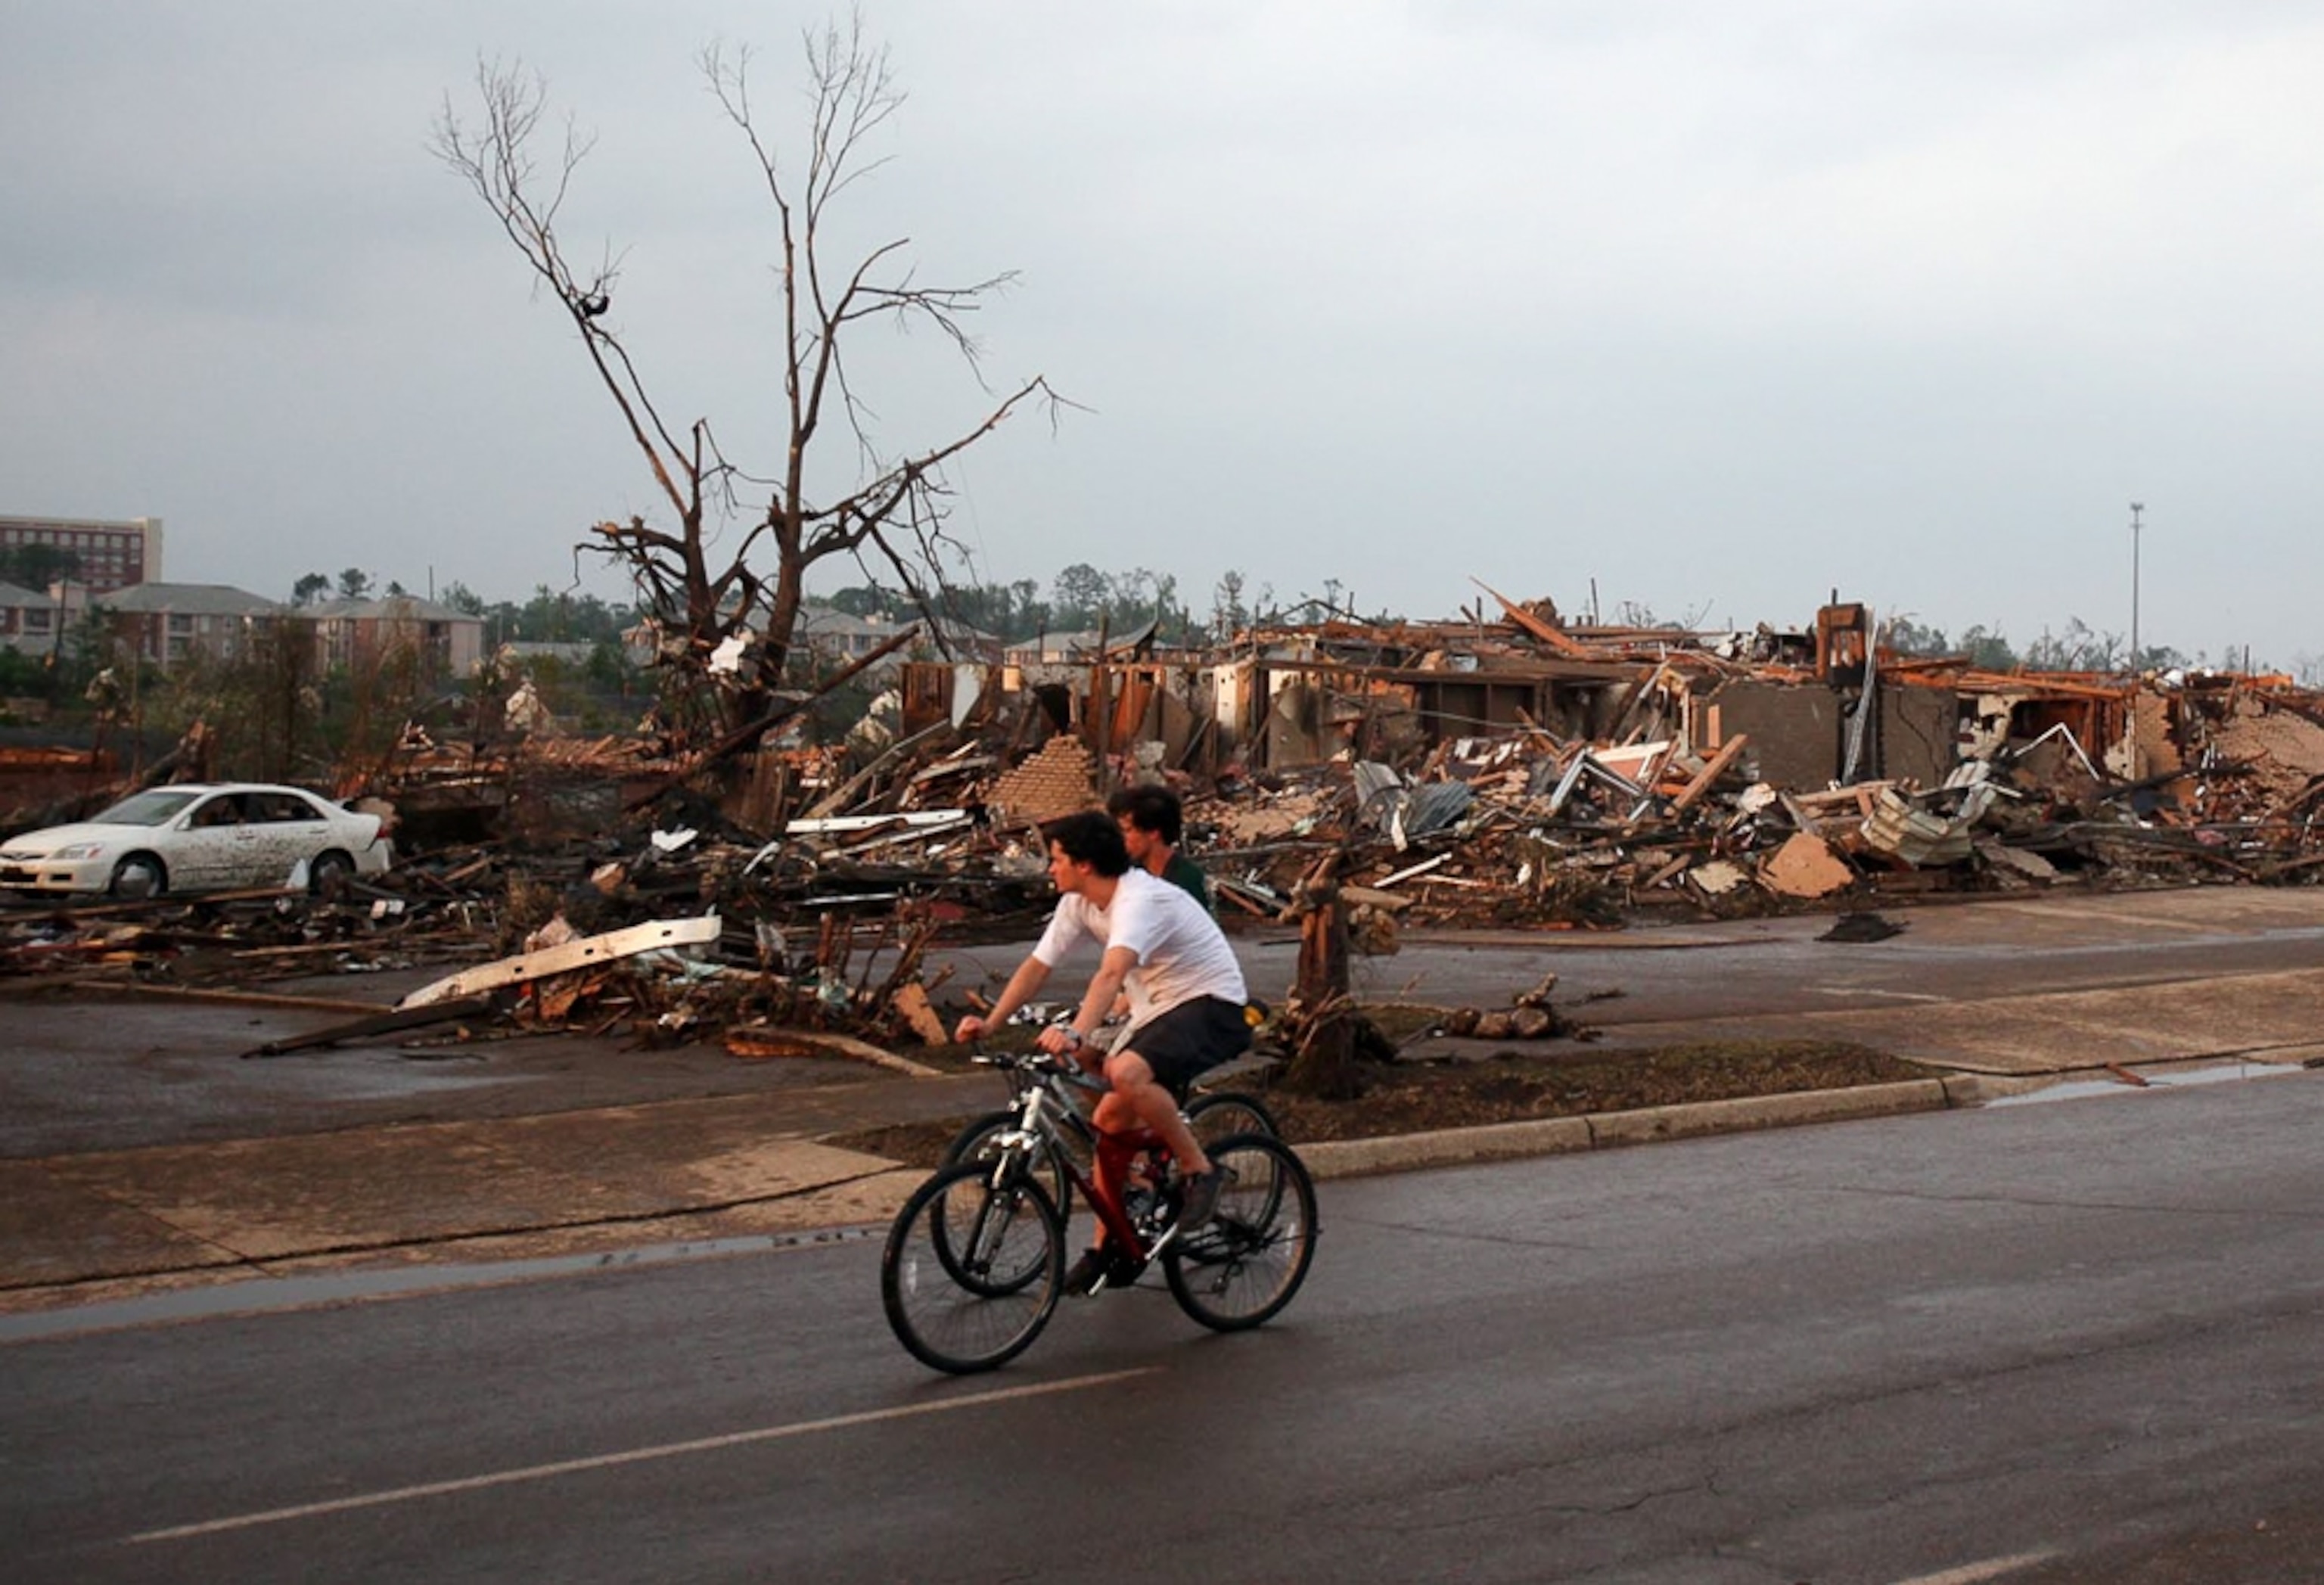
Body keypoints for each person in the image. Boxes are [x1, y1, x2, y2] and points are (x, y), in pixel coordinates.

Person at [952, 810, 1250, 1294]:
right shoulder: (1079, 902)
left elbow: (1110, 975)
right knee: (1107, 1120)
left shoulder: (1139, 898)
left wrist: (1074, 1030)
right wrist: (991, 1021)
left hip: (1210, 1002)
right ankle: (1109, 1244)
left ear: (1085, 864)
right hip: (1153, 1008)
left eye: (1056, 859)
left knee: (1125, 1072)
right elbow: (1036, 967)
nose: (1050, 869)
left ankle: (1200, 1169)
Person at [1105, 783, 1212, 913]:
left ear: (1153, 833)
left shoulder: (1187, 879)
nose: (1122, 838)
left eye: (1128, 830)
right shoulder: (1129, 873)